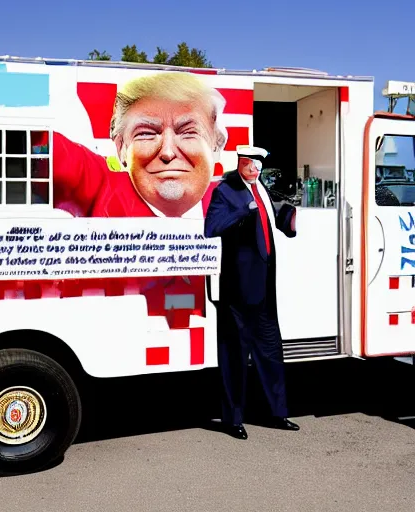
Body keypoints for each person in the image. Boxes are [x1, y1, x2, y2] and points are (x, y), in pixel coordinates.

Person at [204, 145, 300, 440]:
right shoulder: (226, 191)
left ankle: (277, 413)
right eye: (251, 163)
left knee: (271, 353)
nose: (256, 168)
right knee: (234, 356)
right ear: (241, 162)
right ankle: (233, 420)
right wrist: (243, 211)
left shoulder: (261, 189)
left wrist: (287, 219)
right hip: (238, 291)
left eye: (260, 164)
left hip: (265, 288)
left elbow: (268, 223)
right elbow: (212, 227)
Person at [51, 72, 228, 219]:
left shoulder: (233, 202)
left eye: (188, 132)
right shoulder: (101, 187)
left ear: (216, 144)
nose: (167, 152)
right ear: (121, 147)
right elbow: (53, 151)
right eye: (146, 133)